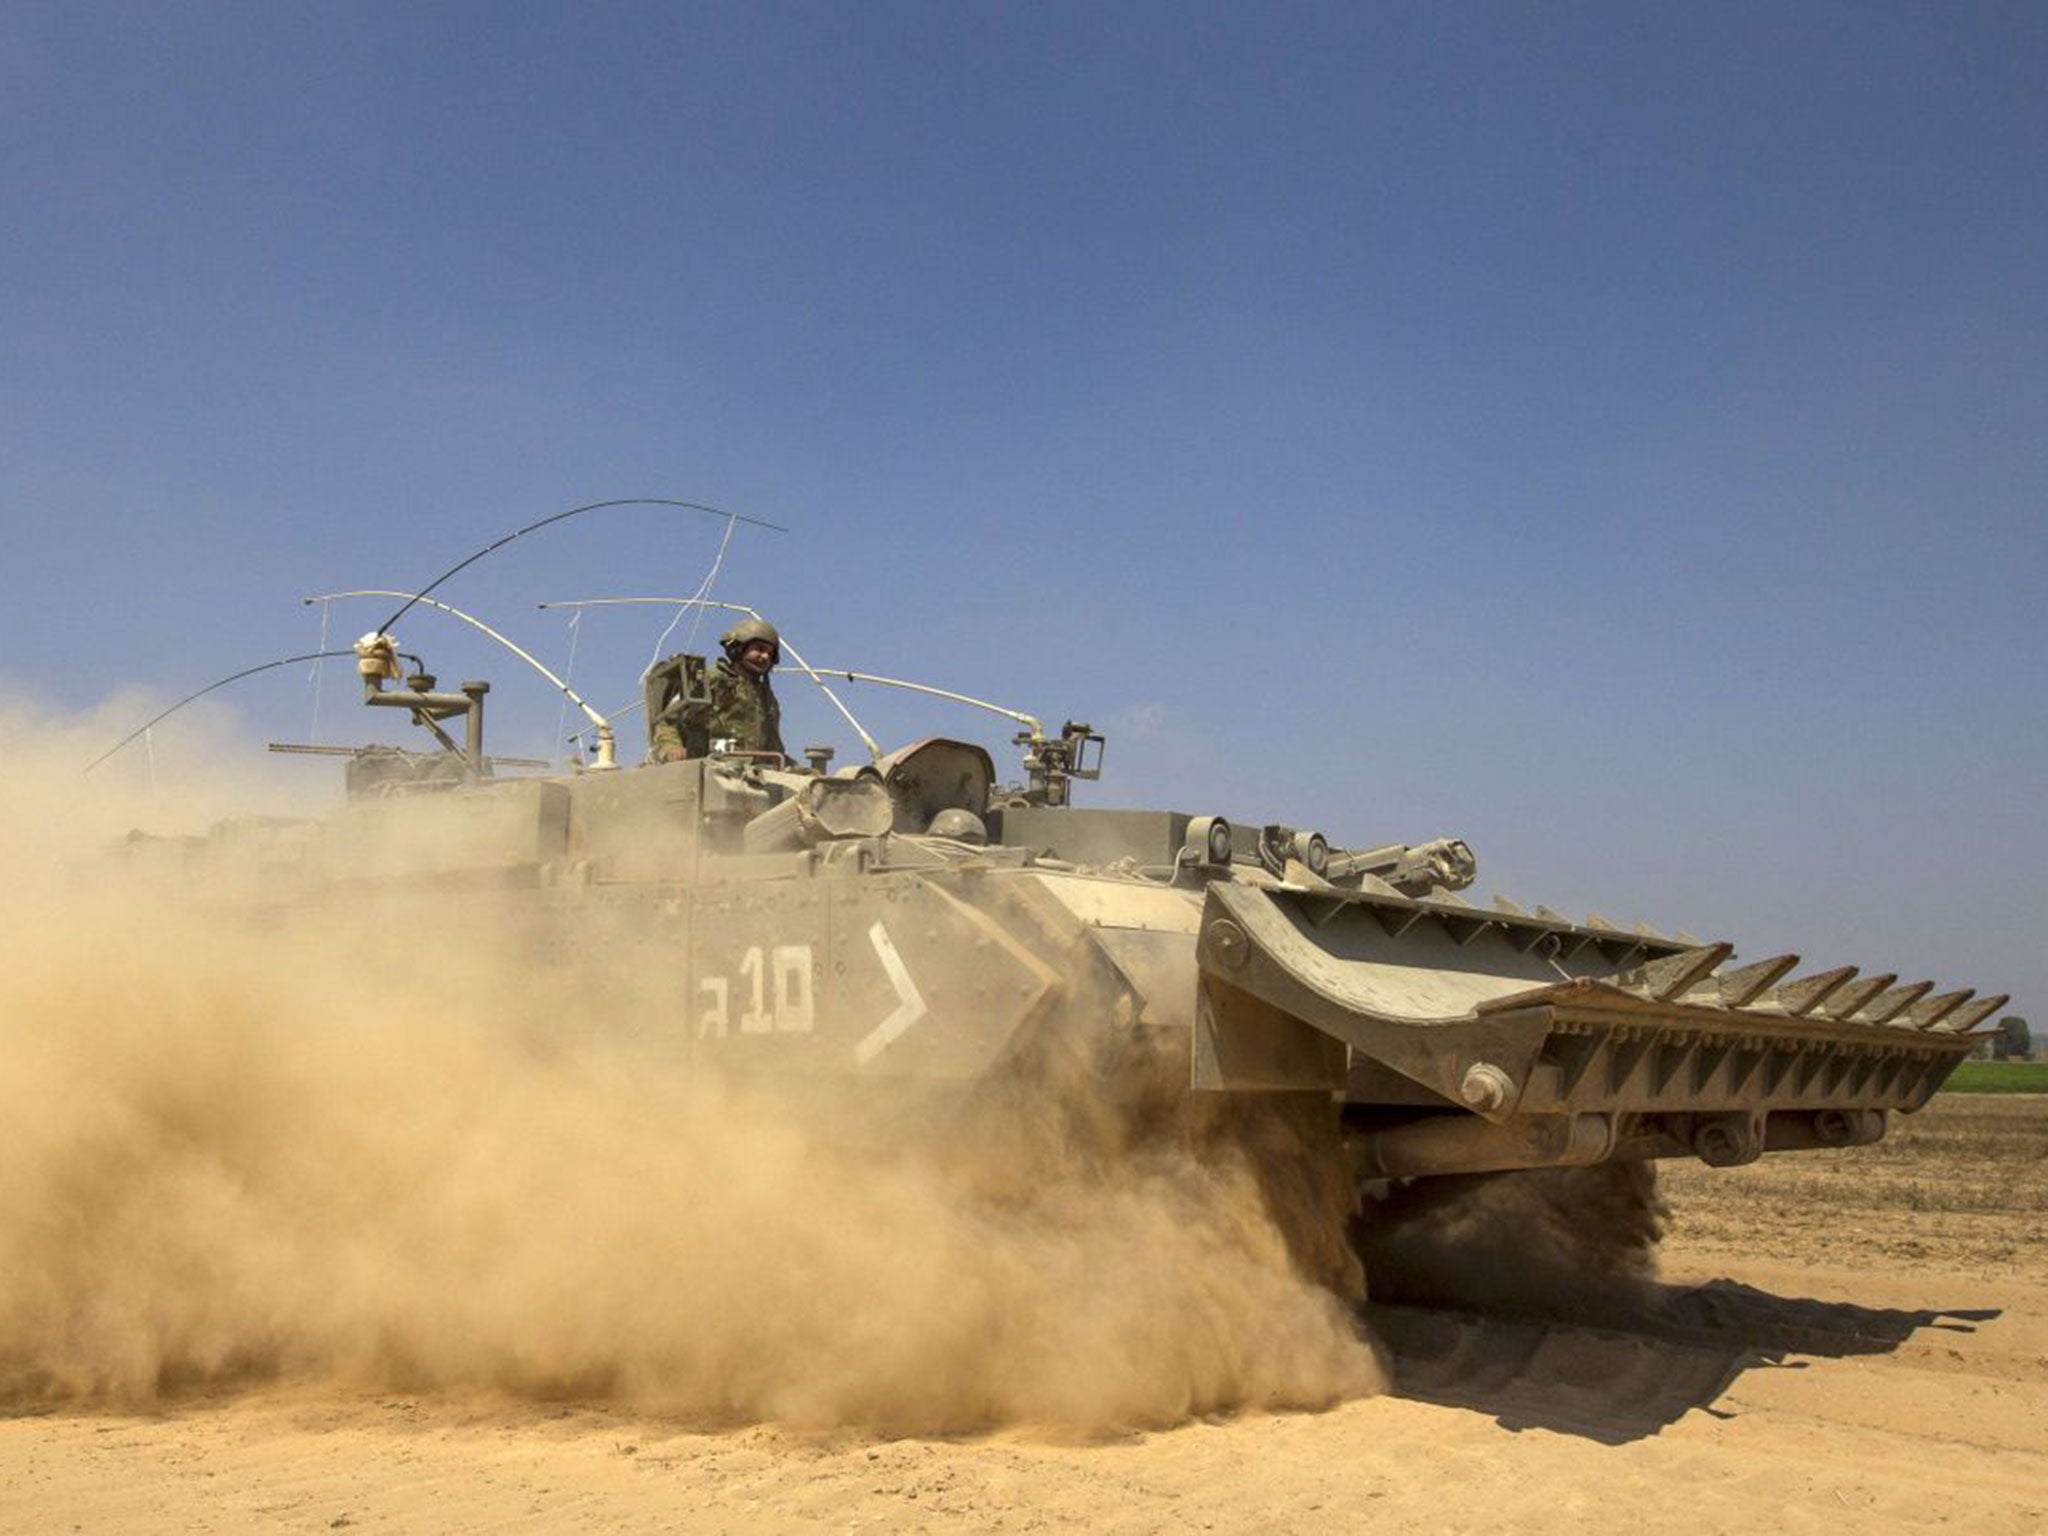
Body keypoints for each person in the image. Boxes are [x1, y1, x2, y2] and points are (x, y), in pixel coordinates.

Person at [650, 616, 786, 761]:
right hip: (711, 765)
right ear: (739, 648)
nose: (765, 656)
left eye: (771, 654)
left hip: (756, 772)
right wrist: (671, 748)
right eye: (760, 649)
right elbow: (668, 722)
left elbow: (773, 745)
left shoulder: (766, 697)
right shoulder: (710, 680)